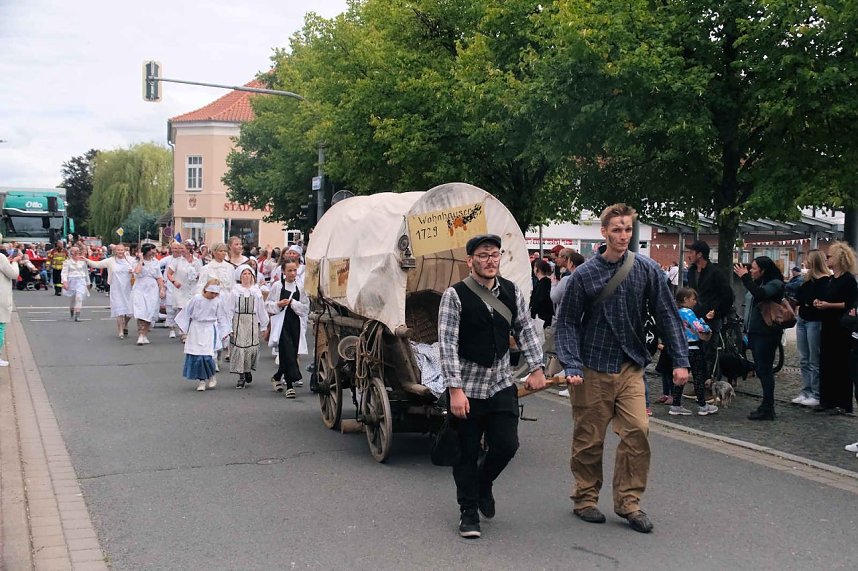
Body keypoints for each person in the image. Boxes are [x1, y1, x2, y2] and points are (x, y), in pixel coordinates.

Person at [555, 203, 689, 534]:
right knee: (589, 438)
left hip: (631, 365)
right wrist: (571, 362)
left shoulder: (646, 269)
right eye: (616, 230)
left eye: (628, 229)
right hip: (592, 366)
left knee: (637, 432)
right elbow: (568, 323)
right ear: (604, 233)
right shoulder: (584, 275)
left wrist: (681, 360)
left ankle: (629, 503)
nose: (623, 236)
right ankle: (585, 498)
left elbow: (667, 314)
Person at [438, 234, 545, 539]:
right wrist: (454, 390)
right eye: (483, 256)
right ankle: (468, 511)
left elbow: (524, 328)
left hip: (500, 382)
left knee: (506, 444)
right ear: (470, 261)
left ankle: (484, 482)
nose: (490, 261)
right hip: (468, 385)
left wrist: (537, 368)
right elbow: (447, 344)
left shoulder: (511, 292)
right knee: (466, 452)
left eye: (495, 255)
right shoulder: (455, 295)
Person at [733, 256, 785, 420]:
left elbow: (760, 295)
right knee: (762, 369)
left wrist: (745, 277)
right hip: (755, 332)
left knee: (765, 369)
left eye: (754, 268)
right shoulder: (760, 282)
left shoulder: (775, 283)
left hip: (767, 333)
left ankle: (768, 407)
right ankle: (766, 405)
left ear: (764, 270)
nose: (751, 271)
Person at [814, 242, 858, 414]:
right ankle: (827, 400)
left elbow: (849, 304)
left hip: (841, 327)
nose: (827, 259)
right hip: (828, 325)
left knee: (841, 364)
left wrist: (829, 305)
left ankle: (842, 403)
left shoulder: (848, 280)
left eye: (830, 256)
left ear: (839, 258)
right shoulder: (831, 279)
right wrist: (818, 303)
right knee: (826, 362)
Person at [686, 240, 734, 382]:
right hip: (695, 316)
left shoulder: (716, 273)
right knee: (695, 349)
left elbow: (728, 295)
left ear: (700, 254)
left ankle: (708, 382)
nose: (689, 255)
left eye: (691, 252)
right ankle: (698, 380)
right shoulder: (691, 272)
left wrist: (717, 312)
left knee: (709, 350)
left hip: (711, 318)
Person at [668, 288, 718, 416]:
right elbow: (699, 327)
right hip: (693, 347)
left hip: (680, 348)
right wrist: (706, 326)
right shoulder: (688, 312)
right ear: (685, 299)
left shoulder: (675, 311)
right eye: (693, 299)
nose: (695, 302)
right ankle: (703, 405)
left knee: (681, 377)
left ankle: (676, 404)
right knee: (698, 376)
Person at [175, 279, 231, 392]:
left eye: (216, 293)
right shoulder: (196, 299)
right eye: (212, 293)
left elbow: (222, 317)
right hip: (196, 328)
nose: (213, 296)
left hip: (209, 329)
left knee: (207, 355)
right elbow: (186, 312)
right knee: (197, 356)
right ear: (205, 290)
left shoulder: (217, 302)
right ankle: (201, 380)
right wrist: (184, 327)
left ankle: (211, 376)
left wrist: (224, 331)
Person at [790, 250, 830, 407]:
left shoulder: (825, 281)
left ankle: (816, 393)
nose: (805, 261)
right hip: (803, 319)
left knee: (814, 358)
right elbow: (800, 297)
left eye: (808, 259)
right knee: (804, 358)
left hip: (814, 321)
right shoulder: (806, 280)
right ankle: (806, 390)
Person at [267, 259, 309, 398]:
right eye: (289, 270)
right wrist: (278, 304)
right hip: (282, 323)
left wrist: (293, 303)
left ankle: (278, 376)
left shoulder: (300, 287)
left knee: (292, 350)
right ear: (283, 272)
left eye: (294, 270)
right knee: (287, 351)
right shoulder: (277, 286)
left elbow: (305, 308)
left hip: (295, 322)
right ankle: (290, 385)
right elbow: (268, 304)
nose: (292, 273)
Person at [229, 265, 269, 389]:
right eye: (244, 274)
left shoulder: (256, 292)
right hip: (238, 320)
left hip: (251, 321)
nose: (246, 276)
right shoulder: (235, 291)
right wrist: (228, 327)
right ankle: (241, 376)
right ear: (239, 277)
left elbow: (261, 309)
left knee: (250, 347)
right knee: (240, 347)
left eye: (248, 274)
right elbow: (229, 309)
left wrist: (264, 326)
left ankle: (247, 370)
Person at [86, 243, 135, 338]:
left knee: (129, 312)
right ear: (115, 251)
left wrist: (133, 270)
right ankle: (120, 330)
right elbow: (97, 264)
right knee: (119, 310)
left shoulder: (130, 260)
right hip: (116, 288)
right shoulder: (110, 261)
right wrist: (86, 260)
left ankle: (125, 324)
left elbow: (138, 268)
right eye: (118, 250)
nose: (120, 252)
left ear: (124, 251)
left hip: (128, 288)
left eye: (122, 250)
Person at [165, 241, 202, 340]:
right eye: (179, 248)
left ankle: (188, 330)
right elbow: (169, 274)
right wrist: (174, 282)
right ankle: (183, 332)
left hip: (192, 288)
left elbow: (201, 273)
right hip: (180, 289)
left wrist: (196, 276)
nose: (180, 250)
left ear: (188, 249)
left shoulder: (196, 261)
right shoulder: (177, 261)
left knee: (191, 310)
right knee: (182, 309)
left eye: (182, 248)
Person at [132, 243, 166, 345]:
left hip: (152, 288)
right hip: (140, 287)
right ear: (147, 250)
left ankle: (144, 334)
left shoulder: (156, 262)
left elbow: (159, 277)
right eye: (153, 250)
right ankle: (140, 334)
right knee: (140, 311)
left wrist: (162, 289)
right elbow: (137, 272)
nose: (155, 252)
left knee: (149, 312)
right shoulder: (137, 261)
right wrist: (141, 260)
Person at [0, 248, 22, 366]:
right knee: (0, 326)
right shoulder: (1, 257)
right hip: (1, 297)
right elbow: (14, 274)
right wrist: (15, 262)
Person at [61, 247, 91, 322]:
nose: (76, 253)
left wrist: (88, 283)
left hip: (81, 280)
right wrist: (64, 282)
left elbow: (86, 273)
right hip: (71, 281)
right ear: (71, 253)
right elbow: (64, 273)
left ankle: (77, 315)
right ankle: (71, 312)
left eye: (78, 251)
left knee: (79, 297)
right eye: (74, 251)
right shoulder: (67, 262)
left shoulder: (82, 262)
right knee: (72, 299)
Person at [529, 259, 554, 327]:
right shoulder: (546, 282)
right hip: (545, 316)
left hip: (542, 318)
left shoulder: (542, 283)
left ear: (538, 269)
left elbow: (538, 301)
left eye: (534, 267)